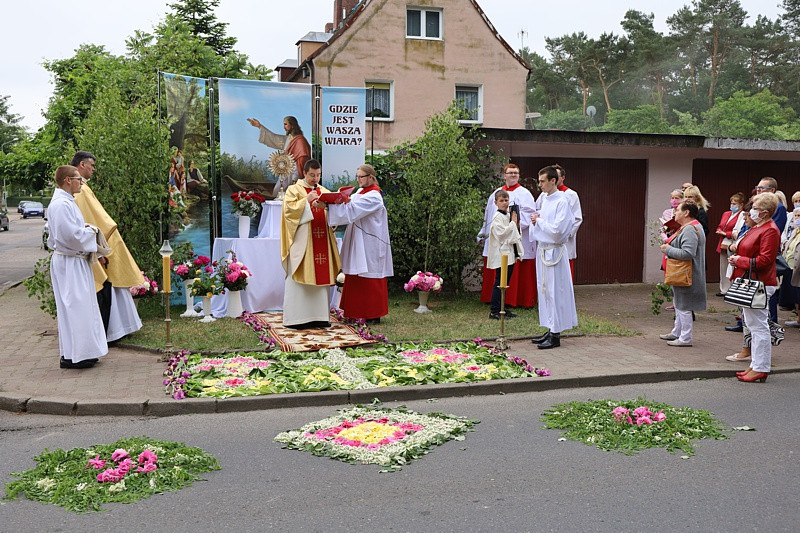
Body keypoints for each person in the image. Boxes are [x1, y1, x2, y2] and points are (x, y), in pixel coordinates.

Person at [70, 151, 143, 343]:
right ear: (81, 165)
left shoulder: (83, 189)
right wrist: (103, 241)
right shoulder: (82, 191)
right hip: (96, 244)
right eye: (91, 165)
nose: (93, 169)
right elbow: (94, 218)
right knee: (104, 287)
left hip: (94, 242)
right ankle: (109, 332)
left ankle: (115, 329)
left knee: (110, 288)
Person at [47, 165, 108, 369]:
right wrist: (93, 232)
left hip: (73, 261)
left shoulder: (66, 202)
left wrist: (87, 231)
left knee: (82, 306)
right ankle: (74, 356)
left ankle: (83, 352)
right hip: (69, 262)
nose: (81, 182)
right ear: (67, 180)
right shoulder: (61, 205)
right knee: (75, 307)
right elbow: (70, 236)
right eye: (78, 179)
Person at [326, 164, 393, 323]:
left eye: (361, 176)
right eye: (357, 176)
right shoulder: (360, 192)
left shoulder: (374, 196)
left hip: (370, 242)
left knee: (370, 276)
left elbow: (352, 210)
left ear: (371, 177)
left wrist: (328, 206)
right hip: (359, 240)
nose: (358, 180)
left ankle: (372, 314)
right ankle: (354, 311)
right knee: (356, 274)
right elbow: (349, 205)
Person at [281, 159, 341, 329]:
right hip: (303, 243)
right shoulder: (294, 190)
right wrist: (306, 201)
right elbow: (288, 213)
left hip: (322, 241)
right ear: (305, 174)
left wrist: (331, 206)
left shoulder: (323, 191)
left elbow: (333, 214)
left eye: (318, 175)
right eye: (312, 175)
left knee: (320, 278)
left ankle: (320, 317)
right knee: (299, 278)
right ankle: (296, 319)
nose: (315, 179)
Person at [728, 192, 781, 383]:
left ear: (765, 212)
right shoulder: (759, 226)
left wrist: (739, 260)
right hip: (752, 280)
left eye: (755, 208)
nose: (751, 211)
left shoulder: (770, 230)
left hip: (760, 283)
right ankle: (756, 364)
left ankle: (761, 367)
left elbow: (765, 260)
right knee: (753, 324)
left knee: (758, 326)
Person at [528, 166, 578, 349]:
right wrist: (537, 220)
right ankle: (550, 327)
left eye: (542, 181)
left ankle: (556, 334)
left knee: (555, 292)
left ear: (553, 181)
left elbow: (558, 231)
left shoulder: (562, 201)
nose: (539, 184)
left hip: (554, 252)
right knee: (545, 291)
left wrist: (538, 221)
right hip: (543, 250)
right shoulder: (545, 199)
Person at [477, 163, 537, 308]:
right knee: (498, 272)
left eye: (515, 173)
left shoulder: (524, 193)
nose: (513, 175)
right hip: (497, 237)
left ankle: (514, 300)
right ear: (504, 175)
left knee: (511, 267)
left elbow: (529, 214)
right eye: (510, 173)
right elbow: (488, 214)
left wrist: (514, 224)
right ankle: (495, 302)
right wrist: (483, 233)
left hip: (514, 236)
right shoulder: (496, 192)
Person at [659, 201, 706, 347]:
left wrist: (667, 249)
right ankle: (677, 332)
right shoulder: (686, 227)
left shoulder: (690, 229)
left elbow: (688, 253)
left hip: (687, 273)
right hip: (682, 273)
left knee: (684, 306)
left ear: (686, 213)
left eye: (678, 210)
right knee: (678, 303)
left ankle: (685, 338)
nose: (675, 212)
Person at [247, 115, 311, 194]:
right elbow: (273, 138)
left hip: (295, 174)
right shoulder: (288, 138)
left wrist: (296, 177)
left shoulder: (300, 141)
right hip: (285, 172)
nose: (284, 127)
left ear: (293, 125)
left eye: (286, 124)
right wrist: (259, 126)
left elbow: (302, 160)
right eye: (284, 124)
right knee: (277, 192)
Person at [486, 189, 523, 320]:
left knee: (505, 282)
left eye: (506, 200)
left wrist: (515, 223)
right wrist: (513, 223)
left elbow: (513, 232)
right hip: (501, 254)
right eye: (501, 201)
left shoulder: (506, 215)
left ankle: (502, 307)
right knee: (499, 282)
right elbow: (501, 235)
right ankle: (494, 310)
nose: (504, 203)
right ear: (496, 203)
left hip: (509, 253)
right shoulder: (497, 217)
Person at [552, 164, 583, 279]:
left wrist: (565, 234)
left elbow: (577, 218)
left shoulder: (571, 194)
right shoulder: (544, 194)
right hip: (549, 238)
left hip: (565, 240)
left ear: (563, 178)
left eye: (557, 176)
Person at [714, 192, 746, 296]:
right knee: (723, 267)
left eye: (735, 204)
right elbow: (720, 225)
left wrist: (726, 233)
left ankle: (733, 289)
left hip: (733, 243)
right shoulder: (726, 214)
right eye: (731, 203)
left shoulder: (742, 215)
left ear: (741, 205)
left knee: (732, 267)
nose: (732, 206)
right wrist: (720, 231)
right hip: (723, 243)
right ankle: (724, 289)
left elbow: (739, 230)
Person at [782, 207, 800, 328]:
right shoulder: (795, 231)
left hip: (798, 269)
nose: (797, 218)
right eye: (796, 216)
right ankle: (799, 319)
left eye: (799, 216)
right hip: (791, 267)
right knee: (796, 297)